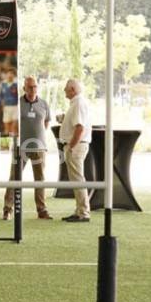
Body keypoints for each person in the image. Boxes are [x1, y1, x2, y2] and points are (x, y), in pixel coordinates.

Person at [3, 76, 51, 221]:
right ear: (24, 88)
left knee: (40, 180)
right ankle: (7, 209)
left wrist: (38, 135)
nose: (33, 89)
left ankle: (42, 210)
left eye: (35, 86)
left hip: (39, 148)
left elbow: (47, 121)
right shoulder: (17, 104)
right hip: (20, 147)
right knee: (14, 178)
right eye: (30, 87)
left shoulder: (43, 104)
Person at [60, 77, 91, 223]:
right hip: (76, 146)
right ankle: (79, 210)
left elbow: (80, 127)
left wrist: (71, 146)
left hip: (76, 147)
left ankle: (83, 212)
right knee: (76, 179)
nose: (64, 90)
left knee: (78, 179)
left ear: (72, 89)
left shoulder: (78, 103)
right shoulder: (77, 103)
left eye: (66, 87)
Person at [0, 68, 19, 137]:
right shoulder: (3, 84)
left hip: (15, 107)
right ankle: (8, 143)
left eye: (12, 74)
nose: (10, 75)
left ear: (14, 75)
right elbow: (0, 96)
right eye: (8, 73)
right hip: (6, 107)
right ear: (6, 75)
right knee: (7, 128)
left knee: (14, 127)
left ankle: (15, 144)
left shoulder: (16, 84)